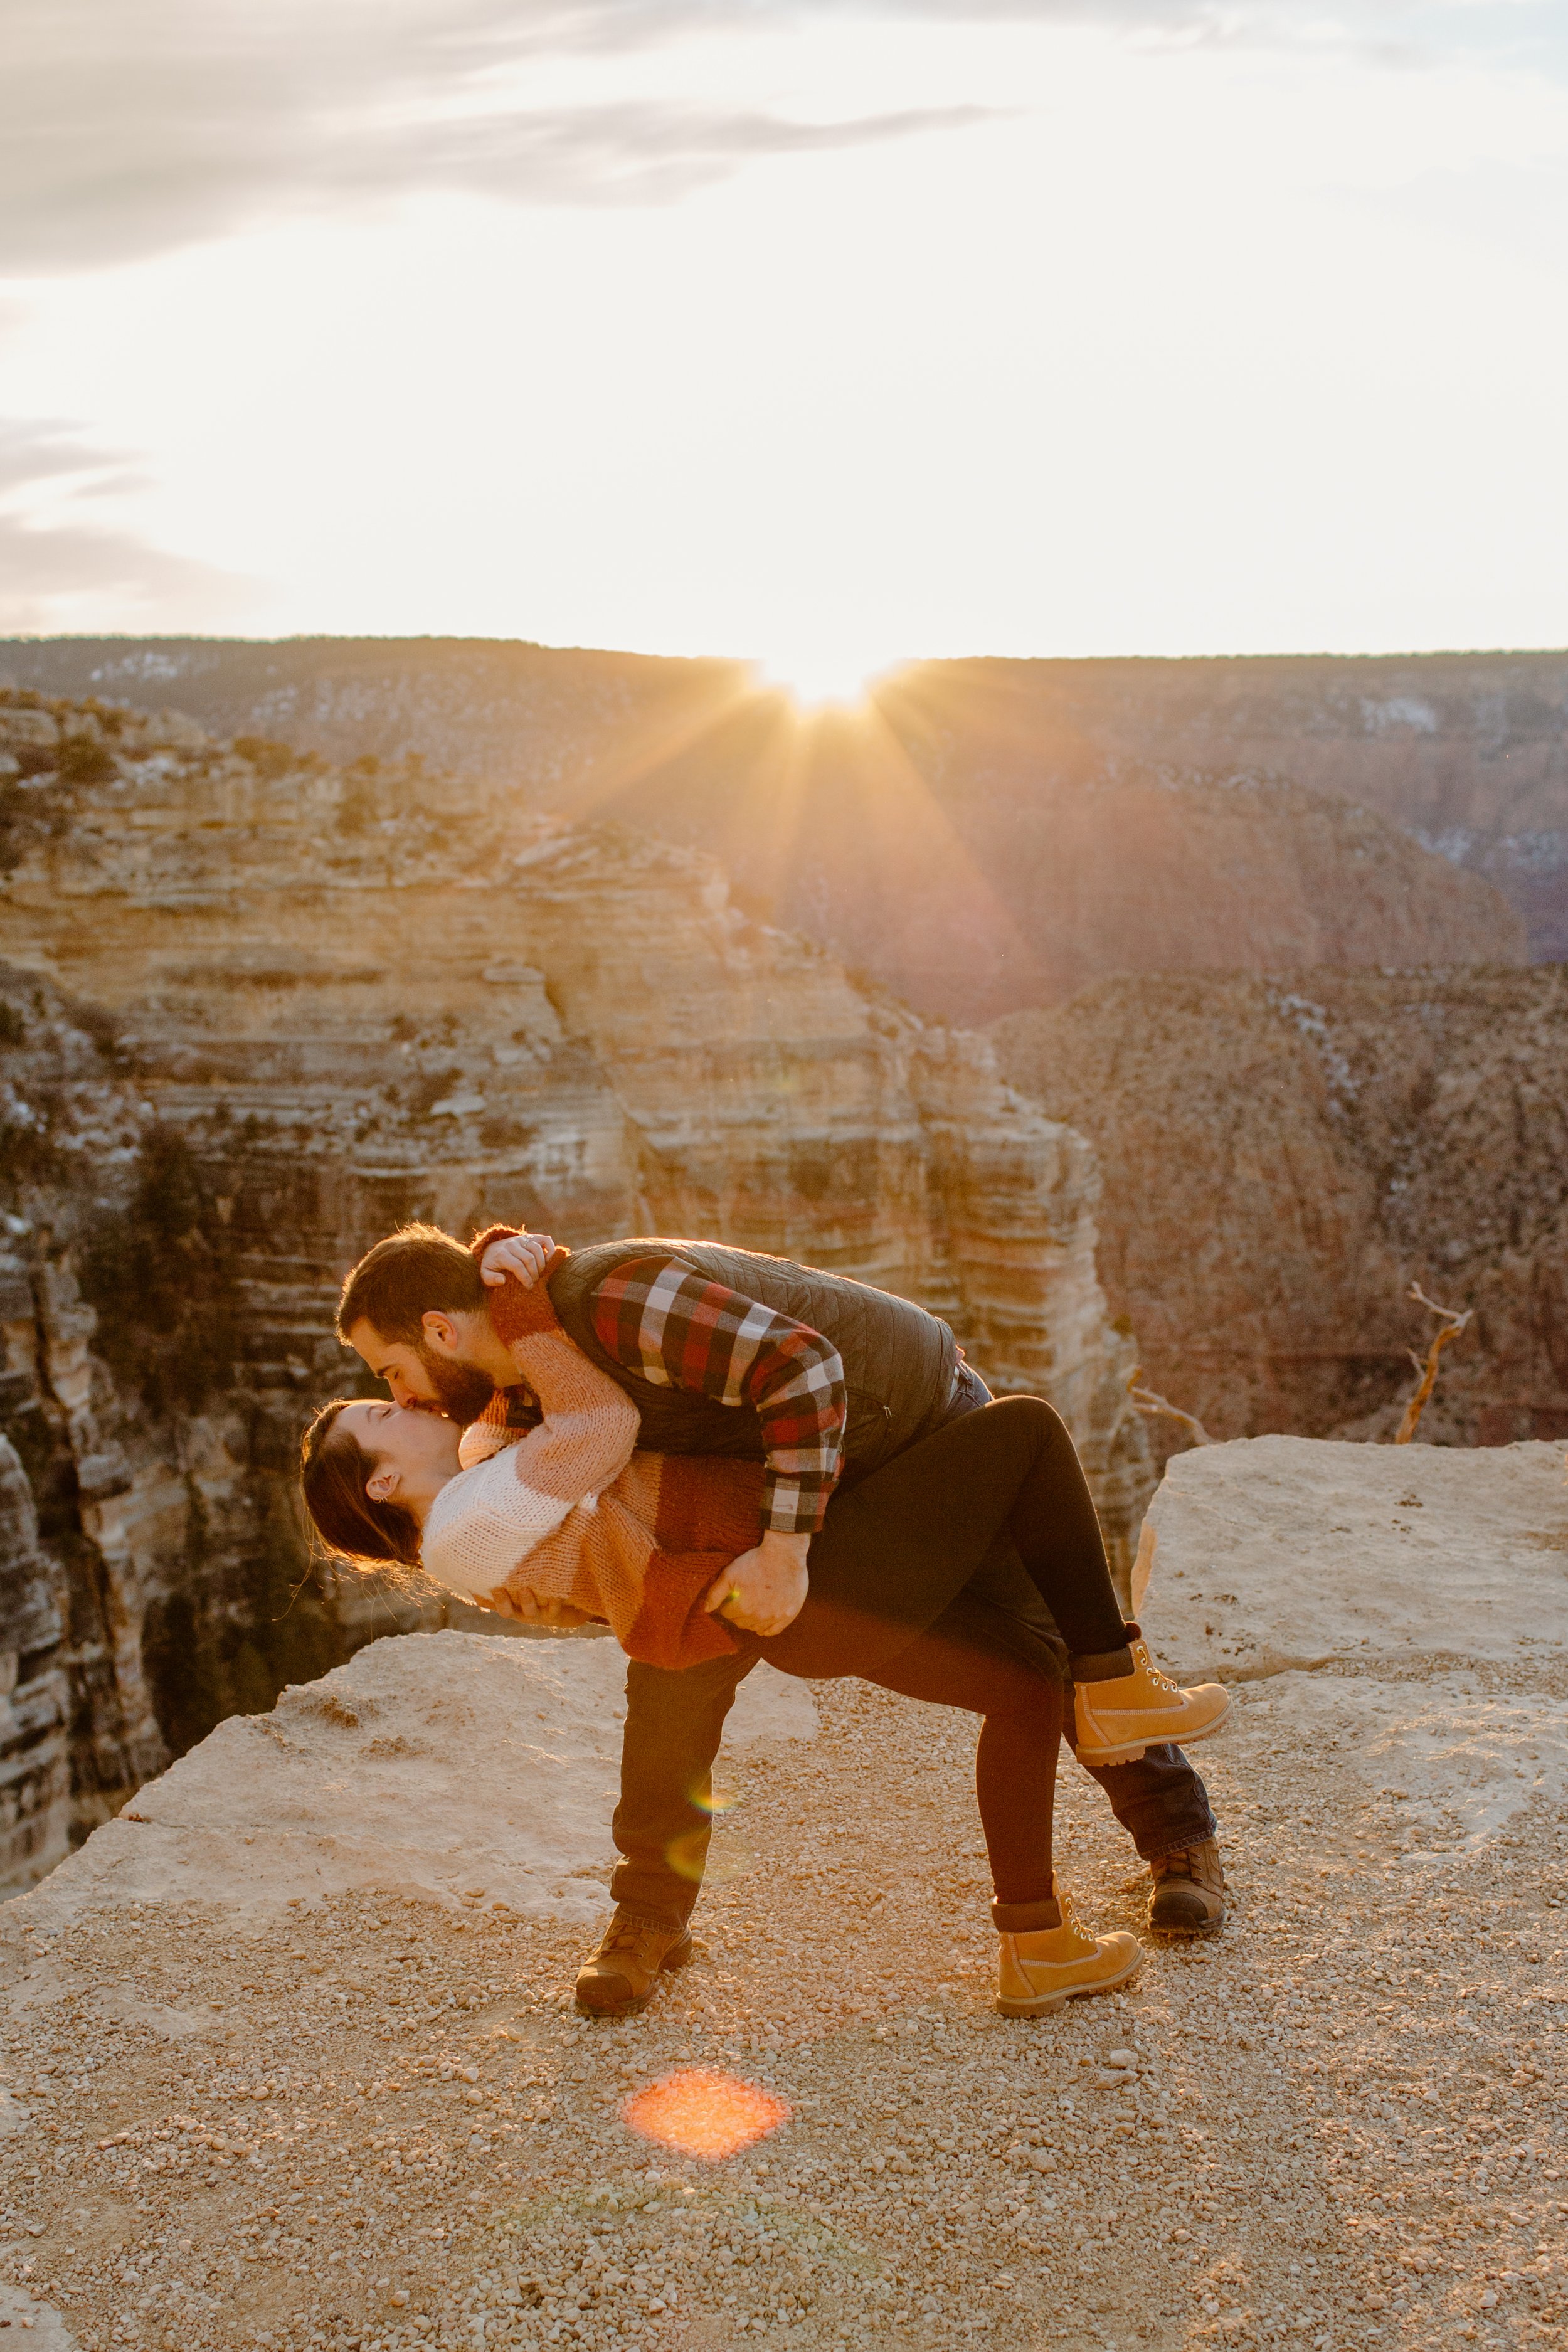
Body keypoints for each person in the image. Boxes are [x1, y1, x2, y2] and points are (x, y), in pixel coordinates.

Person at [302, 1258, 1231, 2019]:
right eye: (387, 1400)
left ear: (439, 1331)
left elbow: (793, 1373)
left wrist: (515, 1267)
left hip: (877, 1441)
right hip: (776, 1545)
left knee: (1032, 1653)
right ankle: (649, 1912)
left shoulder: (591, 1322)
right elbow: (584, 1431)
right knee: (675, 1666)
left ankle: (1127, 1864)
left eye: (390, 1379)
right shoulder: (486, 1466)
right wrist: (519, 1289)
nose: (411, 1402)